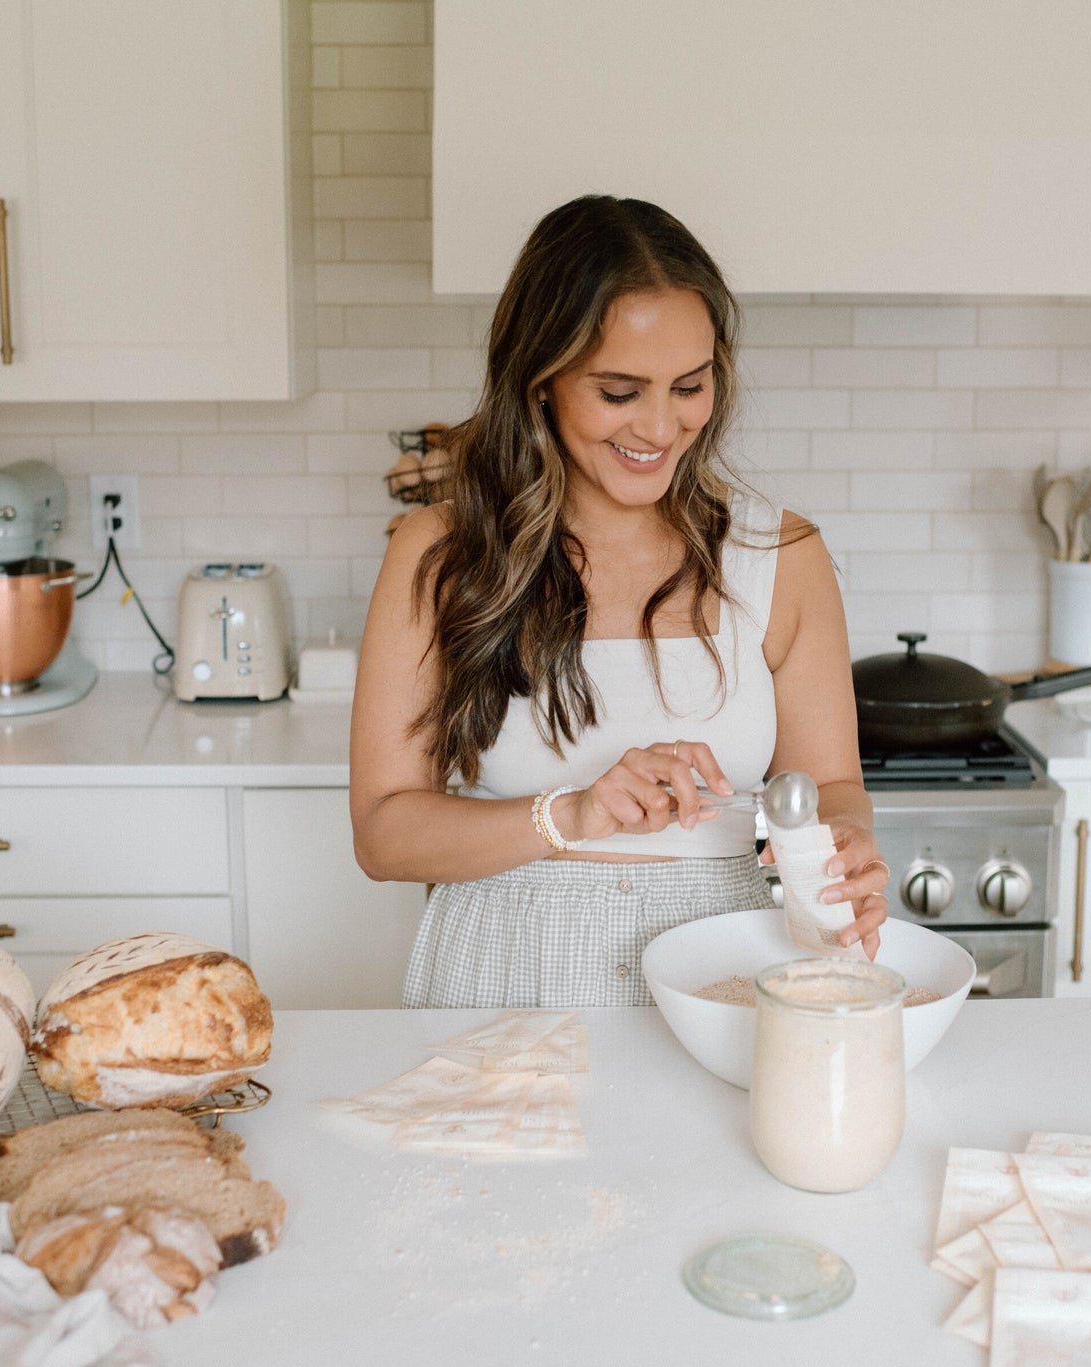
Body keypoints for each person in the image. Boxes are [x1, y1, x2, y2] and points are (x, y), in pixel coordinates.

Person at [349, 194, 890, 1009]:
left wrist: (846, 844)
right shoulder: (442, 551)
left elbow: (832, 787)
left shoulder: (779, 556)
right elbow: (385, 832)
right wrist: (570, 812)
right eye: (619, 390)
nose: (662, 426)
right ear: (540, 379)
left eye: (690, 385)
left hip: (720, 970)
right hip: (504, 972)